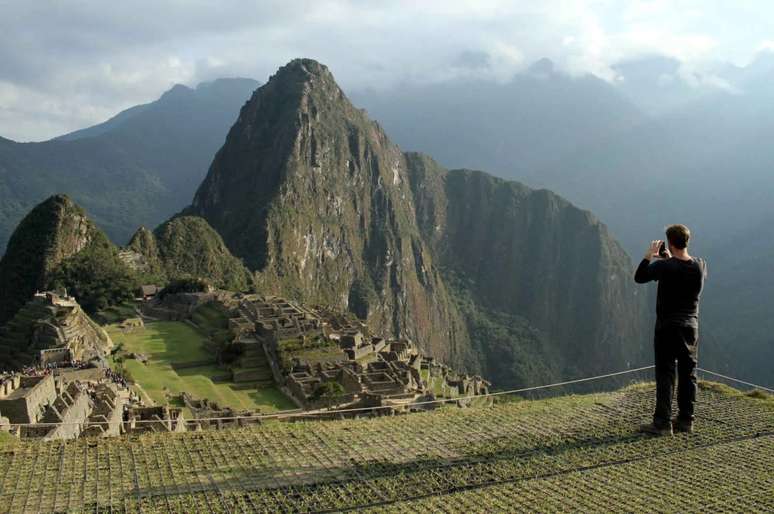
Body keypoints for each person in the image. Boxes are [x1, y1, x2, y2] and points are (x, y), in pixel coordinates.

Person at [634, 224, 707, 435]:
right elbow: (681, 270)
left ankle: (662, 423)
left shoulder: (664, 268)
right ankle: (686, 420)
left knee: (666, 374)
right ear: (686, 241)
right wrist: (669, 259)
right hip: (690, 328)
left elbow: (639, 277)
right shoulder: (700, 265)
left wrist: (649, 256)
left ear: (670, 242)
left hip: (667, 328)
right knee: (688, 374)